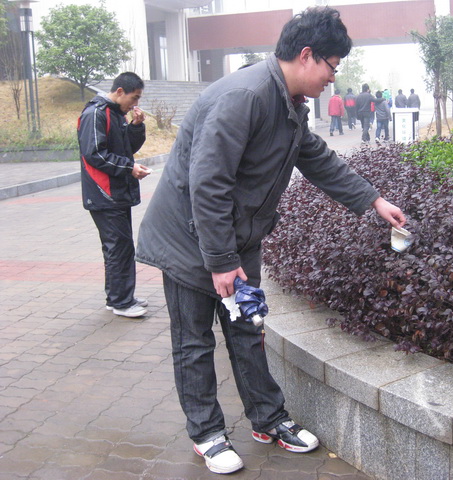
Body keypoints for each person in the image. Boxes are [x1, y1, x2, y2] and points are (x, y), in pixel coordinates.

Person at [135, 7, 405, 476]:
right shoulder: (244, 96)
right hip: (188, 239)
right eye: (332, 67)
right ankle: (207, 433)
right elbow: (207, 184)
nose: (333, 79)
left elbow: (315, 156)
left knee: (247, 328)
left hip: (235, 237)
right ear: (307, 55)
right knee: (194, 341)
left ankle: (268, 419)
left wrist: (372, 200)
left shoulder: (288, 103)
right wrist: (221, 260)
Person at [77, 72, 151, 318]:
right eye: (134, 98)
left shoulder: (115, 114)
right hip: (104, 193)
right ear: (120, 91)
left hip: (116, 193)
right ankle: (121, 302)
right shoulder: (95, 114)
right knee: (118, 247)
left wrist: (136, 127)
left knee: (119, 247)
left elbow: (127, 149)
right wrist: (129, 168)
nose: (135, 103)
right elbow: (95, 154)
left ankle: (118, 296)